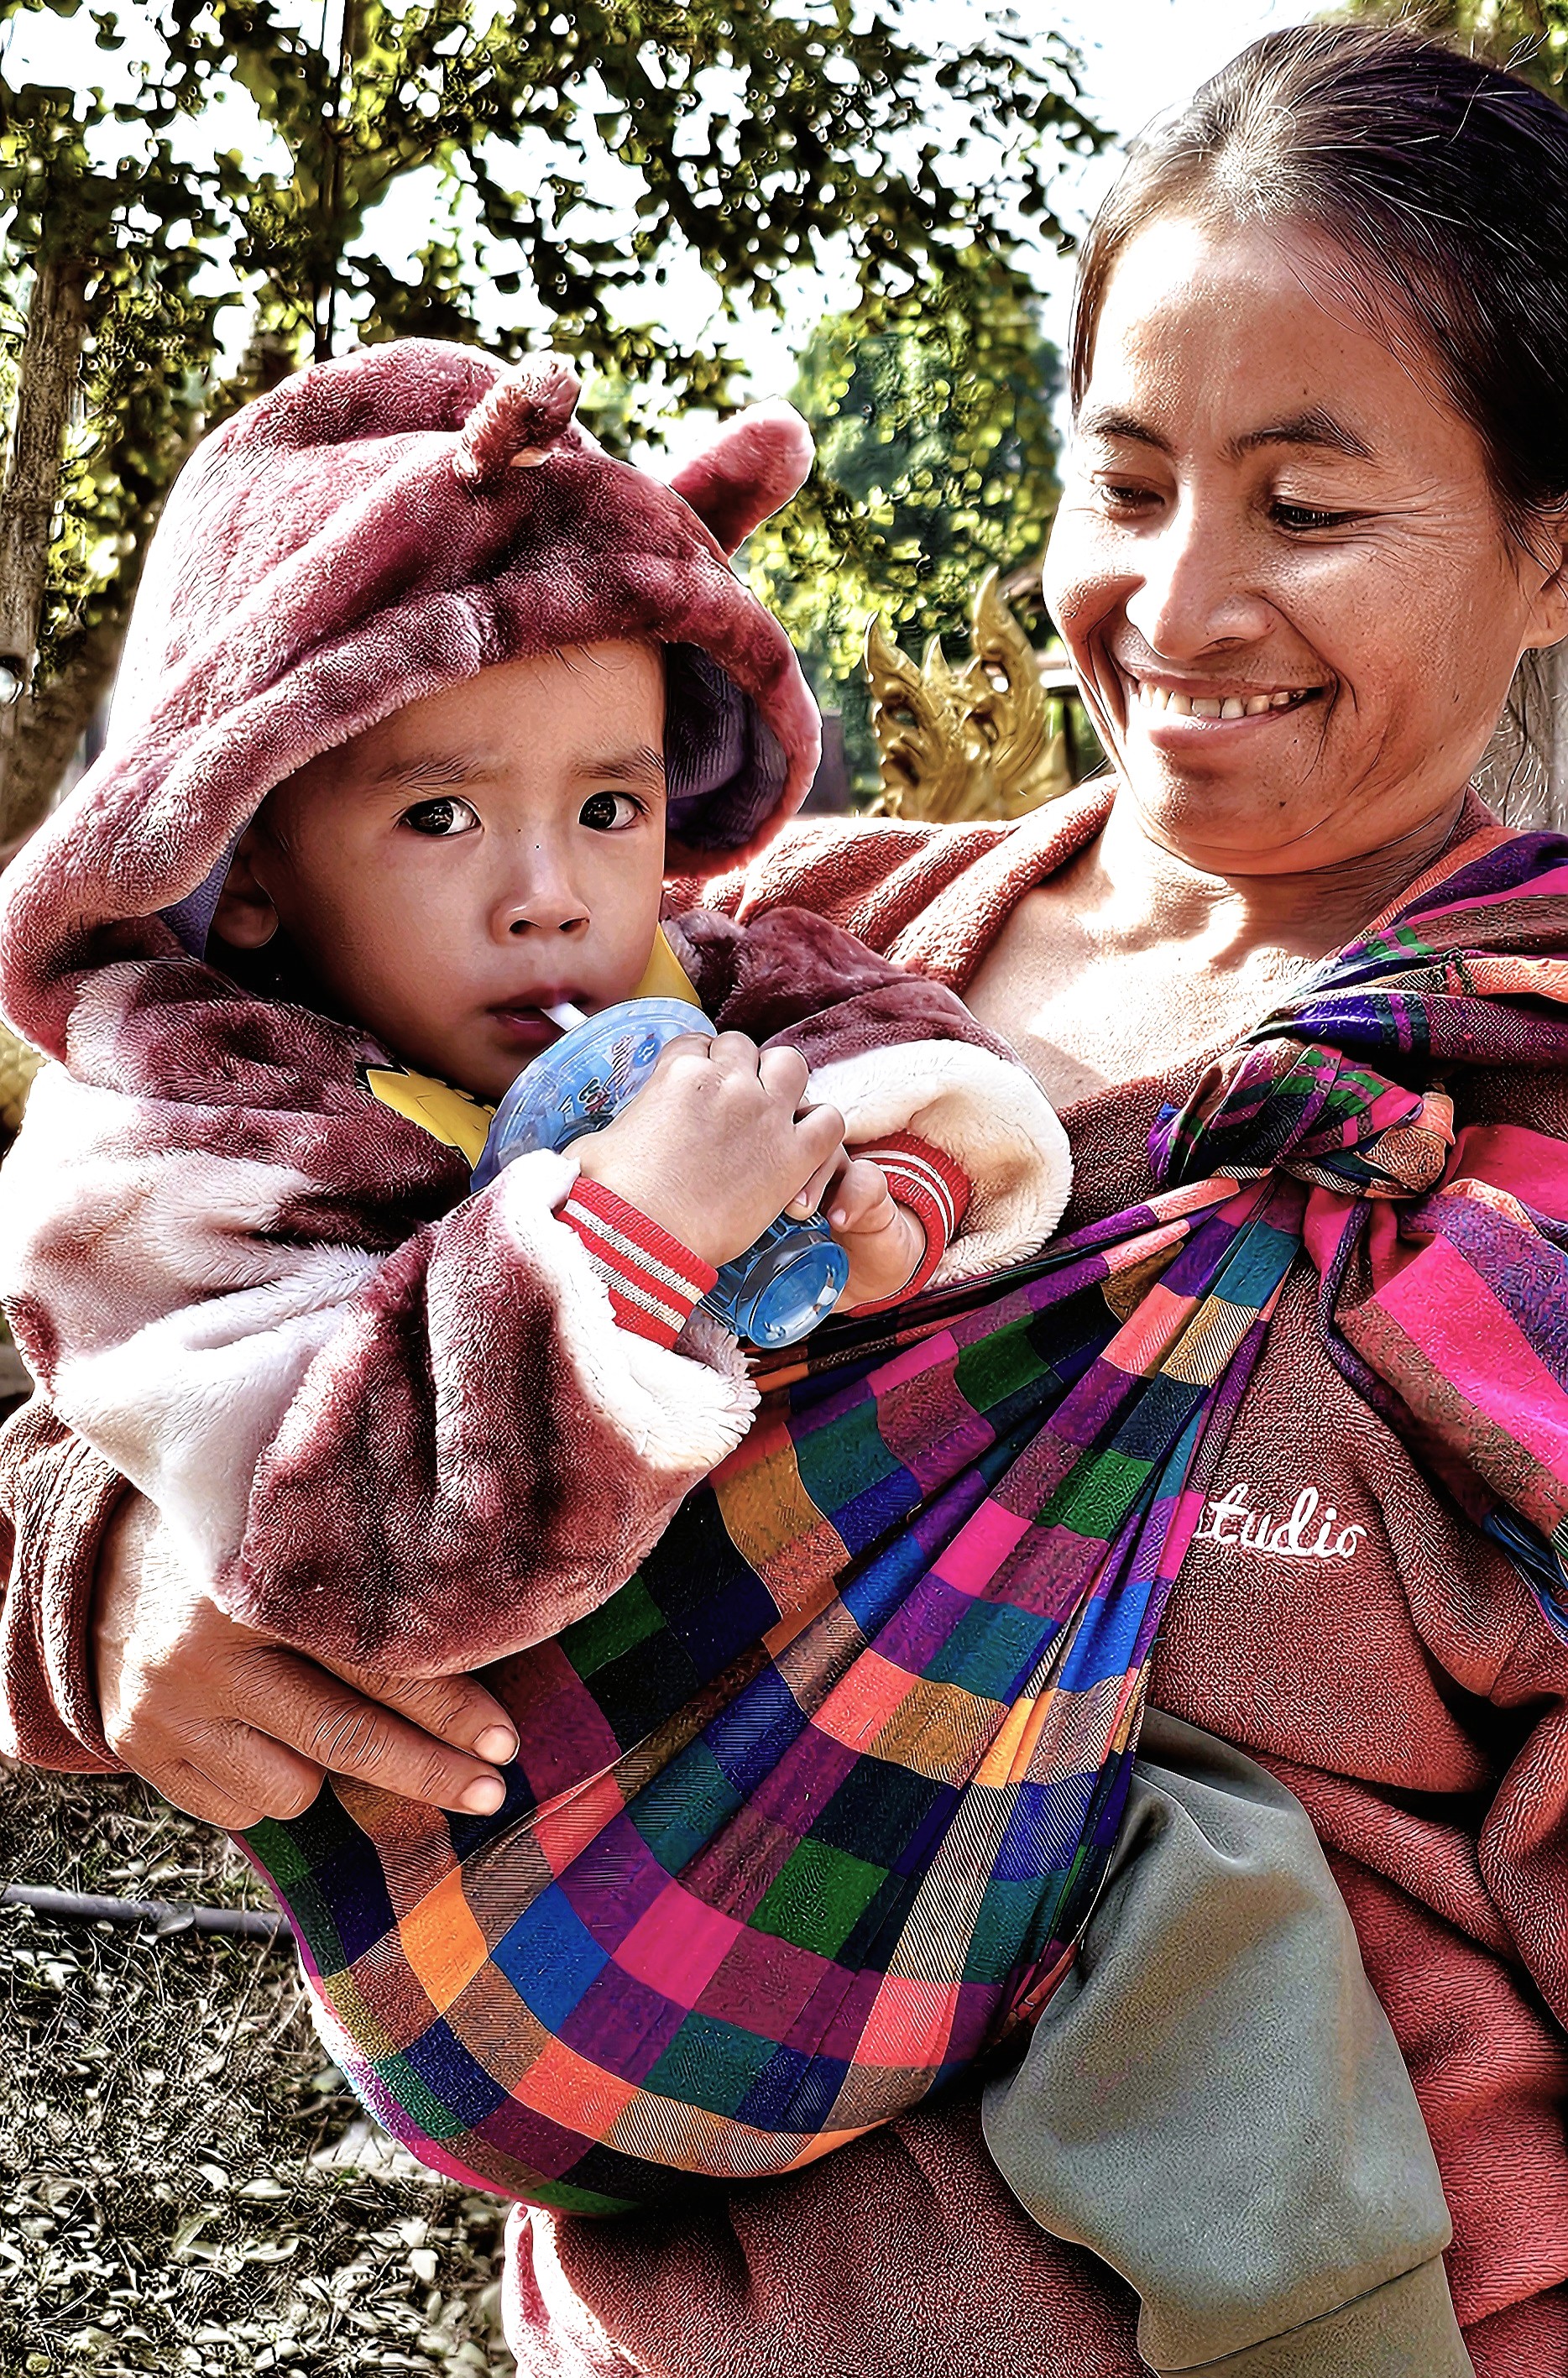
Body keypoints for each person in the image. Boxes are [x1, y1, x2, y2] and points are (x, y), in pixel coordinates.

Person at [5, 19, 1568, 2374]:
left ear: (1551, 551)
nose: (1181, 599)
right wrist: (105, 1574)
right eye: (1124, 480)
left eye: (1309, 506)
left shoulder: (1511, 1145)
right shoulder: (735, 962)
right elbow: (148, 1310)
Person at [0, 342, 1070, 1680]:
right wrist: (632, 1240)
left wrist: (889, 1175)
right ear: (252, 858)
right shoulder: (189, 1130)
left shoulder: (704, 974)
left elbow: (902, 1041)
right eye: (440, 815)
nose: (552, 897)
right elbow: (343, 1538)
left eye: (611, 809)